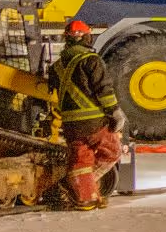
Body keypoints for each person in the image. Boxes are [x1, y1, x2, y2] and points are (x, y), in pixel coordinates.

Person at [50, 19, 124, 209]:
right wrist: (115, 112)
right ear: (85, 37)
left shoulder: (56, 67)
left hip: (70, 125)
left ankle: (86, 198)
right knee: (112, 151)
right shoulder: (91, 60)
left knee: (82, 159)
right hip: (93, 123)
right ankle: (78, 183)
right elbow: (104, 90)